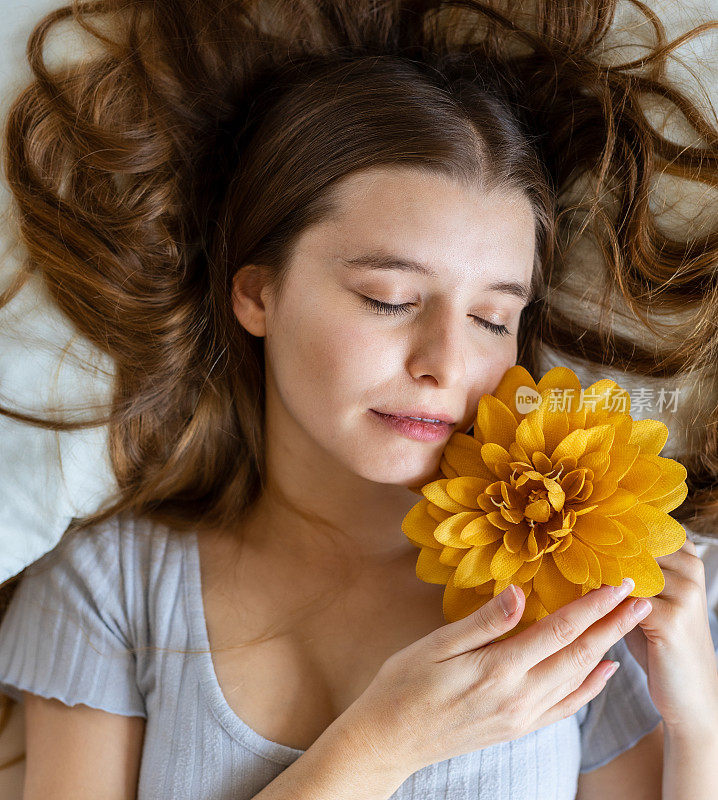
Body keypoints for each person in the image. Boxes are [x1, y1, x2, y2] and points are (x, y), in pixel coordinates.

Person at [0, 1, 717, 798]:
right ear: (258, 293)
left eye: (491, 318)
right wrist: (387, 742)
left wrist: (699, 727)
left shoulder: (578, 593)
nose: (446, 363)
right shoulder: (109, 589)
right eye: (388, 297)